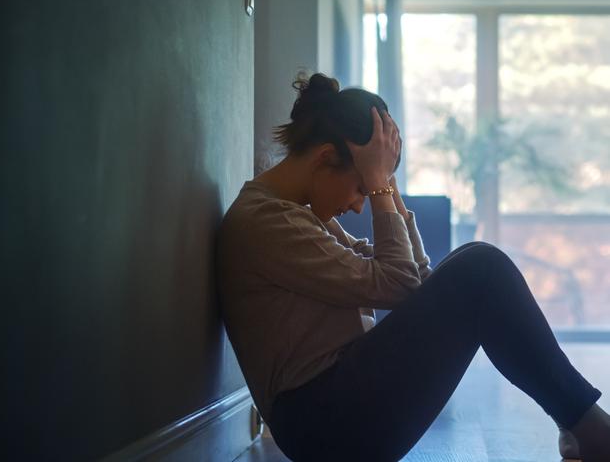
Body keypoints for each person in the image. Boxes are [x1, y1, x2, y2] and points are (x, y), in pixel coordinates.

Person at [215, 73, 609, 461]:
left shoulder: (294, 217)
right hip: (324, 426)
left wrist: (383, 181)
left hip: (334, 409)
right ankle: (589, 427)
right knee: (481, 267)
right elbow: (399, 284)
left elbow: (414, 282)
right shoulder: (270, 222)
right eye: (361, 188)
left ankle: (581, 423)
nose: (358, 204)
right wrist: (379, 183)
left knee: (472, 262)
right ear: (324, 159)